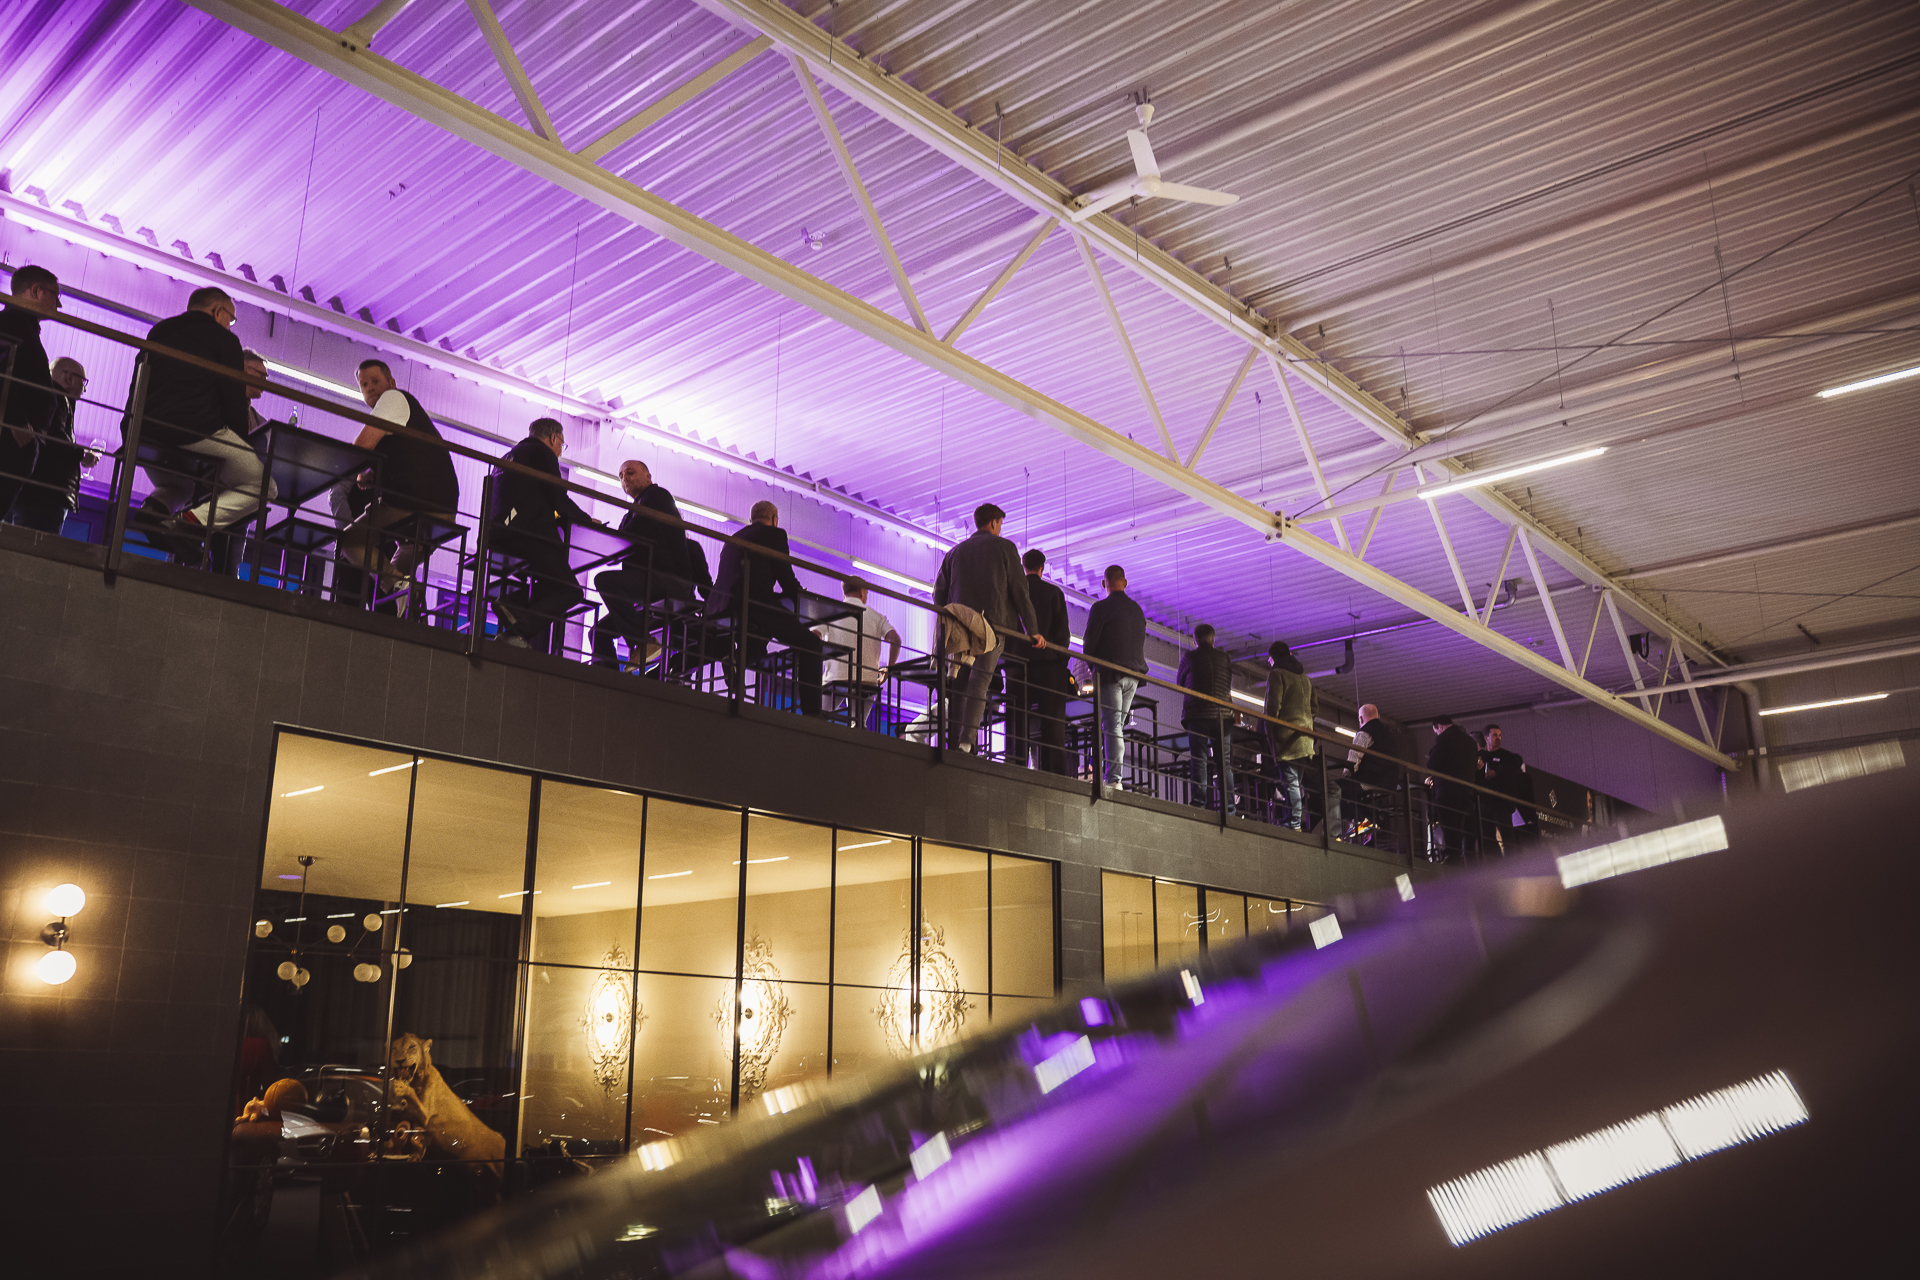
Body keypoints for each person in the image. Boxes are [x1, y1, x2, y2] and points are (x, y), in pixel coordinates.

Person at [133, 286, 268, 559]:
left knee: (180, 485)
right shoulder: (225, 340)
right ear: (217, 311)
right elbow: (232, 398)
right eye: (230, 319)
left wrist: (131, 430)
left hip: (144, 430)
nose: (230, 325)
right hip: (194, 430)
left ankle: (155, 509)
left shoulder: (159, 332)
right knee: (262, 487)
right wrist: (240, 445)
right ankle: (188, 524)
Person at [333, 359, 461, 613]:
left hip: (412, 502)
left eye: (375, 381)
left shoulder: (392, 398)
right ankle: (402, 602)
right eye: (364, 385)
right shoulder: (408, 414)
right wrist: (372, 476)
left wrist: (352, 470)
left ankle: (401, 588)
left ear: (391, 383)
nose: (370, 388)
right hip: (444, 508)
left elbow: (361, 448)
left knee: (349, 542)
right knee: (391, 582)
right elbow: (409, 456)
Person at [932, 503, 1044, 752]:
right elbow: (1020, 591)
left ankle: (952, 741)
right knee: (980, 681)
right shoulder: (1005, 548)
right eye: (1000, 524)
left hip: (960, 625)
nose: (1000, 528)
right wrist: (1032, 630)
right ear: (994, 523)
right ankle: (966, 742)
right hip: (993, 627)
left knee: (959, 683)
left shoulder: (954, 552)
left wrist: (947, 619)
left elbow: (938, 593)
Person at [492, 417, 598, 650]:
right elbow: (557, 497)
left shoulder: (508, 456)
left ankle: (512, 603)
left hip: (500, 531)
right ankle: (517, 633)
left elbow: (531, 496)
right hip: (529, 533)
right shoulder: (542, 453)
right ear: (553, 438)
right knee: (570, 591)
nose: (560, 451)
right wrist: (586, 520)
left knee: (554, 583)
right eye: (561, 444)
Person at [592, 459, 709, 671]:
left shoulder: (657, 496)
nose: (625, 478)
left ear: (648, 476)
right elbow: (624, 544)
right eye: (621, 476)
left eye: (630, 472)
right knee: (598, 632)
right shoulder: (630, 513)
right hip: (649, 586)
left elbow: (633, 535)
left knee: (604, 581)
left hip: (667, 581)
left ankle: (642, 643)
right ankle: (608, 678)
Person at [709, 501, 824, 715]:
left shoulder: (734, 539)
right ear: (774, 519)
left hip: (721, 605)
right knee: (811, 644)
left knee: (760, 637)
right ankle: (812, 712)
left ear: (751, 518)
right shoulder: (775, 534)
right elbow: (785, 576)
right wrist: (801, 596)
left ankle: (738, 660)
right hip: (753, 603)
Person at [0, 265, 62, 523]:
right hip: (11, 436)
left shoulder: (19, 324)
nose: (59, 304)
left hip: (17, 435)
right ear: (36, 291)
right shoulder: (12, 324)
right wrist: (15, 419)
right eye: (55, 295)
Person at [7, 356, 96, 533]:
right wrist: (82, 455)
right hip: (44, 497)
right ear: (69, 377)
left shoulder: (42, 397)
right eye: (83, 381)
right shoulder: (58, 399)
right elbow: (54, 437)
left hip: (24, 490)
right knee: (35, 545)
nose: (85, 388)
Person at [1008, 549, 1073, 774]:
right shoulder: (1054, 593)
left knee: (1017, 718)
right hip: (1049, 665)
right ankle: (1053, 772)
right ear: (1042, 568)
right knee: (1052, 721)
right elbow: (1063, 635)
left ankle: (1016, 765)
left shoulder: (1013, 592)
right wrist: (1060, 662)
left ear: (1023, 566)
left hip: (1017, 664)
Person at [1082, 564, 1146, 785]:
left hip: (1110, 674)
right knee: (1117, 725)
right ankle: (1108, 771)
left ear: (1104, 583)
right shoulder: (1137, 610)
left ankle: (1114, 779)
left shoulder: (1100, 608)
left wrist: (1093, 667)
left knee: (1112, 726)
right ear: (1125, 583)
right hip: (1134, 675)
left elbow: (1089, 644)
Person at [813, 576, 901, 731]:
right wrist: (889, 669)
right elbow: (895, 640)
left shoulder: (830, 612)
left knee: (819, 718)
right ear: (862, 591)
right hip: (867, 681)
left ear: (844, 592)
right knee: (859, 725)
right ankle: (858, 729)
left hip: (836, 678)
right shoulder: (876, 617)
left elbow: (815, 635)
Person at [1264, 640, 1332, 831]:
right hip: (1306, 739)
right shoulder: (1305, 678)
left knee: (1291, 782)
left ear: (1273, 658)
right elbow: (1314, 707)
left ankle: (1294, 822)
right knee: (1296, 781)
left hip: (1286, 739)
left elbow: (1273, 706)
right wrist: (1305, 722)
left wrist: (1269, 729)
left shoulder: (1276, 674)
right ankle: (1293, 820)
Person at [1177, 624, 1236, 815]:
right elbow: (1228, 682)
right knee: (1224, 763)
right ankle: (1229, 808)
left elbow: (1180, 682)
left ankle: (1199, 804)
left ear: (1195, 639)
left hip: (1198, 714)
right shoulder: (1224, 658)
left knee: (1199, 760)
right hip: (1223, 715)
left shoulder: (1189, 657)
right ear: (1213, 639)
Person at [1426, 714, 1482, 863]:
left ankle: (1454, 859)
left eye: (1436, 731)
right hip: (1467, 790)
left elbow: (1433, 765)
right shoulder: (1470, 742)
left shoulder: (1443, 739)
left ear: (1439, 727)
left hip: (1447, 791)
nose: (1437, 734)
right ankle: (1467, 862)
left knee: (1450, 827)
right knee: (1465, 827)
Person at [1338, 703, 1398, 840]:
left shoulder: (1365, 733)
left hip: (1369, 781)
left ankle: (1364, 821)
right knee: (1350, 791)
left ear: (1360, 719)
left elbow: (1354, 757)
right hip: (1390, 783)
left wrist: (1347, 774)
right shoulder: (1390, 736)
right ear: (1378, 717)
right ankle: (1364, 823)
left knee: (1335, 788)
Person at [1479, 723, 1537, 851]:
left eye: (1499, 735)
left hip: (1502, 802)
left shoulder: (1507, 757)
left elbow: (1516, 776)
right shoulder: (1482, 757)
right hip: (1484, 802)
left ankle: (1512, 861)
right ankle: (1493, 861)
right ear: (1486, 737)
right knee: (1487, 836)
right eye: (1494, 735)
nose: (1498, 738)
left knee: (1507, 836)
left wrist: (1497, 773)